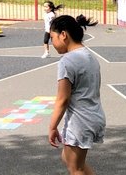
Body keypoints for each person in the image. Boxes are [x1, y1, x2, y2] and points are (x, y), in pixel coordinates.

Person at [48, 14, 104, 175]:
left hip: (80, 121)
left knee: (75, 169)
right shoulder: (89, 56)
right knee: (68, 158)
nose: (52, 43)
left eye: (53, 37)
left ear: (63, 35)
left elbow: (62, 99)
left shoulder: (67, 61)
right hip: (94, 115)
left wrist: (52, 127)